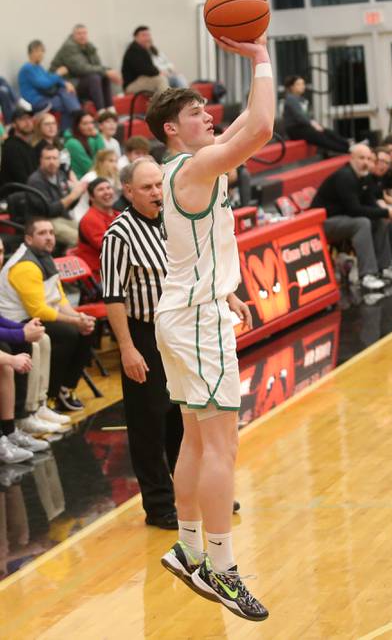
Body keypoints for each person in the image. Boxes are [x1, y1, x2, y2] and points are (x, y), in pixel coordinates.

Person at [145, 33, 273, 621]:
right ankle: (222, 569)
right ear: (173, 128)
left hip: (189, 310)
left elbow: (246, 119)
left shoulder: (188, 164)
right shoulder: (195, 166)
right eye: (197, 112)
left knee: (198, 438)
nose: (208, 115)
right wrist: (261, 57)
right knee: (222, 442)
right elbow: (264, 127)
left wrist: (226, 296)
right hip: (194, 319)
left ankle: (189, 547)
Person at [102, 157, 182, 530]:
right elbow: (113, 297)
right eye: (147, 187)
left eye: (158, 185)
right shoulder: (118, 234)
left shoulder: (173, 221)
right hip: (144, 334)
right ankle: (160, 506)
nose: (155, 192)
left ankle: (193, 492)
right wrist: (127, 347)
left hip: (179, 331)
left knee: (186, 415)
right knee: (149, 424)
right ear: (128, 191)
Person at [0, 218, 95, 413]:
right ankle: (48, 397)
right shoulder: (25, 265)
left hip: (31, 318)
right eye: (42, 233)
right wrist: (74, 322)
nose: (50, 238)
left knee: (87, 329)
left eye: (51, 232)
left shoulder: (46, 258)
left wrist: (80, 318)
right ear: (28, 238)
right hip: (18, 319)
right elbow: (39, 311)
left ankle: (65, 389)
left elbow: (59, 299)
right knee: (67, 333)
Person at [311, 144, 392, 292]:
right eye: (361, 158)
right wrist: (386, 212)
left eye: (369, 158)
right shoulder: (345, 176)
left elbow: (371, 203)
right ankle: (367, 274)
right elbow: (354, 210)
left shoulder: (365, 176)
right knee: (362, 223)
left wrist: (388, 212)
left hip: (344, 219)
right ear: (351, 158)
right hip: (323, 223)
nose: (365, 162)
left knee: (381, 218)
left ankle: (384, 267)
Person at [49, 25, 122, 112]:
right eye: (79, 33)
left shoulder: (89, 46)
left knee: (103, 76)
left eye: (84, 33)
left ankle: (110, 109)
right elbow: (81, 68)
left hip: (80, 80)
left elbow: (97, 65)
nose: (82, 36)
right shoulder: (69, 47)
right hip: (66, 83)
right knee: (95, 78)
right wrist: (106, 71)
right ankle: (101, 112)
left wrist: (108, 71)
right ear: (73, 35)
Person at [27, 144, 86, 248]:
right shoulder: (35, 181)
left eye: (55, 158)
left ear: (59, 160)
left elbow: (68, 205)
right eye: (48, 158)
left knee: (87, 234)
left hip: (63, 217)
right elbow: (49, 211)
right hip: (44, 221)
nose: (51, 162)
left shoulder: (60, 175)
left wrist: (78, 193)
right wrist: (73, 196)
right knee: (78, 239)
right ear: (41, 160)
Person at [17, 40, 81, 131]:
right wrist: (58, 73)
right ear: (32, 52)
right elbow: (44, 84)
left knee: (65, 90)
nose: (42, 54)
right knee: (66, 105)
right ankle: (74, 117)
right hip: (36, 101)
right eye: (40, 51)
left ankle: (75, 112)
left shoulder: (38, 67)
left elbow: (49, 77)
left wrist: (65, 83)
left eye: (43, 51)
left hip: (45, 97)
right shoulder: (27, 69)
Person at [282, 75, 350, 154]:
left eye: (303, 84)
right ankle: (346, 149)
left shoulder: (301, 99)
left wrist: (314, 124)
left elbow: (305, 116)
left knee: (326, 131)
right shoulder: (291, 99)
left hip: (303, 127)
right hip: (295, 129)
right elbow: (299, 116)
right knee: (320, 135)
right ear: (291, 87)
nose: (302, 86)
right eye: (298, 84)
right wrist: (313, 124)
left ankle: (348, 145)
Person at [75, 178, 119, 278]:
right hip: (101, 276)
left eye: (108, 188)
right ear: (91, 197)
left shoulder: (118, 214)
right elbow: (109, 247)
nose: (107, 192)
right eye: (101, 189)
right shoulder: (90, 219)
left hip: (116, 270)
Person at [74, 149, 121, 222]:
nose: (114, 165)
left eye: (116, 161)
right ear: (101, 162)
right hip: (84, 214)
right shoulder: (91, 177)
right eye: (111, 161)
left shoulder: (113, 178)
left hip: (103, 214)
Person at [122, 26, 168, 96]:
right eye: (144, 35)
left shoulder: (144, 49)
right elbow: (145, 70)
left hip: (141, 81)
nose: (147, 38)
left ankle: (180, 102)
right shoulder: (133, 51)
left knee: (173, 78)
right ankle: (168, 105)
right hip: (131, 85)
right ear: (136, 37)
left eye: (148, 35)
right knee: (159, 80)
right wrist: (159, 72)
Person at [0, 109, 38, 187]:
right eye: (22, 119)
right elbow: (22, 179)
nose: (28, 122)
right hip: (16, 195)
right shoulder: (11, 147)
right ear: (13, 124)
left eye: (29, 118)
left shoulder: (28, 146)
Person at [63, 113, 104, 178]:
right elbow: (89, 167)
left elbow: (102, 156)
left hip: (92, 177)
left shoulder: (91, 140)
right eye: (85, 124)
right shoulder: (72, 143)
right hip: (80, 181)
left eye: (91, 123)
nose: (90, 127)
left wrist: (97, 137)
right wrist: (98, 137)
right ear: (77, 126)